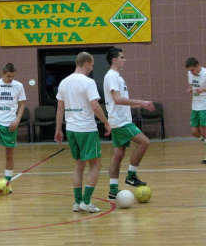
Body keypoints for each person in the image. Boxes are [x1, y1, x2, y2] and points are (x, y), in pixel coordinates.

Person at [54, 51, 111, 213]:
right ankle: (86, 201)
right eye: (92, 65)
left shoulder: (64, 82)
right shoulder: (88, 82)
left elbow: (60, 108)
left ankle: (77, 202)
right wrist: (106, 122)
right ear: (86, 64)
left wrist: (58, 129)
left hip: (71, 129)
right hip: (86, 129)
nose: (92, 68)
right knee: (96, 164)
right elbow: (95, 106)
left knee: (79, 165)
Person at [103, 47, 155, 200]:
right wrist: (141, 101)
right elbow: (117, 99)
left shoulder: (117, 77)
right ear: (114, 60)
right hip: (120, 122)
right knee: (144, 142)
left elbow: (120, 102)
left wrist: (138, 105)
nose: (125, 60)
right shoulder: (111, 76)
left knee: (118, 155)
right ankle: (131, 176)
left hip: (120, 119)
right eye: (122, 57)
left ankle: (113, 190)